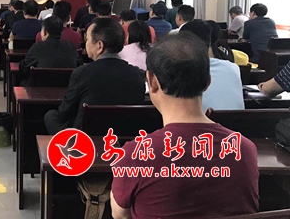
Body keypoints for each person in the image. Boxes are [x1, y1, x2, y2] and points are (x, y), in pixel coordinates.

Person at [110, 32, 258, 219]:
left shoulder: (136, 154)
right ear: (207, 82)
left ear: (152, 81)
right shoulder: (245, 149)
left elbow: (119, 214)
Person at [44, 18, 145, 134]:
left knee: (51, 115)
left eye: (87, 39)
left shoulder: (82, 73)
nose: (86, 43)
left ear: (99, 46)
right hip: (124, 137)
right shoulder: (138, 75)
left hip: (86, 138)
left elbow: (64, 112)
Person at [180, 20, 244, 112]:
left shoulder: (182, 71)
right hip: (238, 120)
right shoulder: (233, 67)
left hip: (203, 120)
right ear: (209, 43)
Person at [19, 16, 82, 86]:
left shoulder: (38, 47)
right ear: (61, 33)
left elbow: (24, 68)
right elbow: (80, 65)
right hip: (68, 88)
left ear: (44, 32)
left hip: (40, 89)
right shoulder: (71, 47)